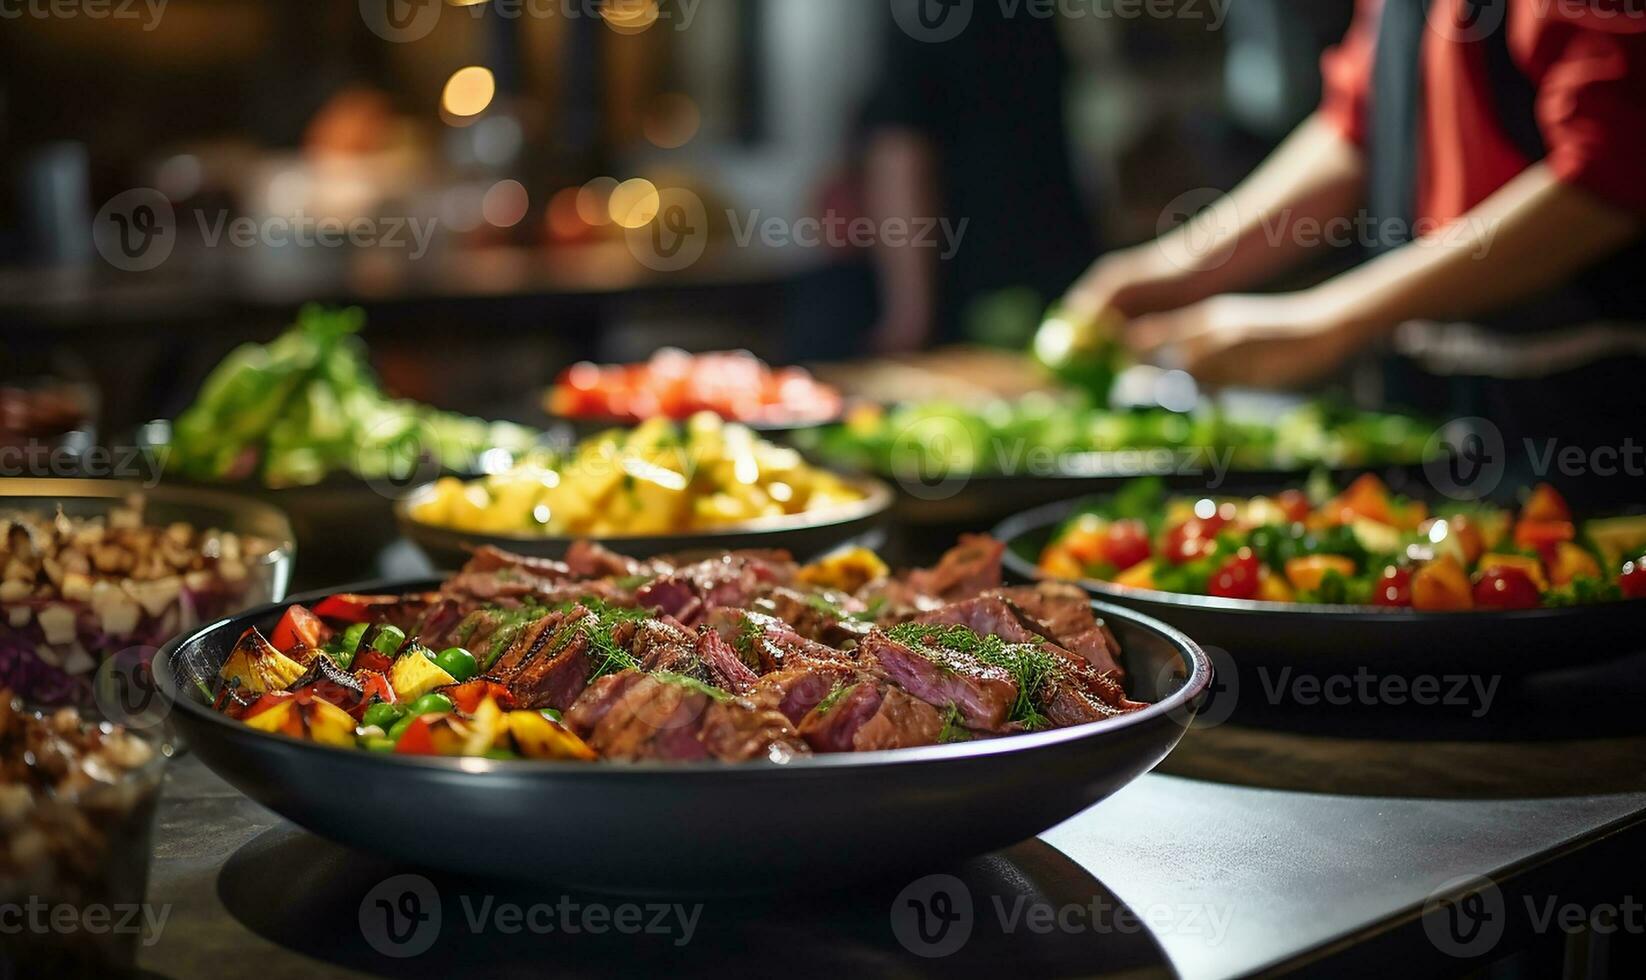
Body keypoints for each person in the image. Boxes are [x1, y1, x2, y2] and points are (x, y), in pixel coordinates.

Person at [1063, 0, 1646, 457]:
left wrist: (1328, 319)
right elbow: (1356, 126)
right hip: (1440, 405)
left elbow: (1613, 168)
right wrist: (1168, 270)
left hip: (1594, 415)